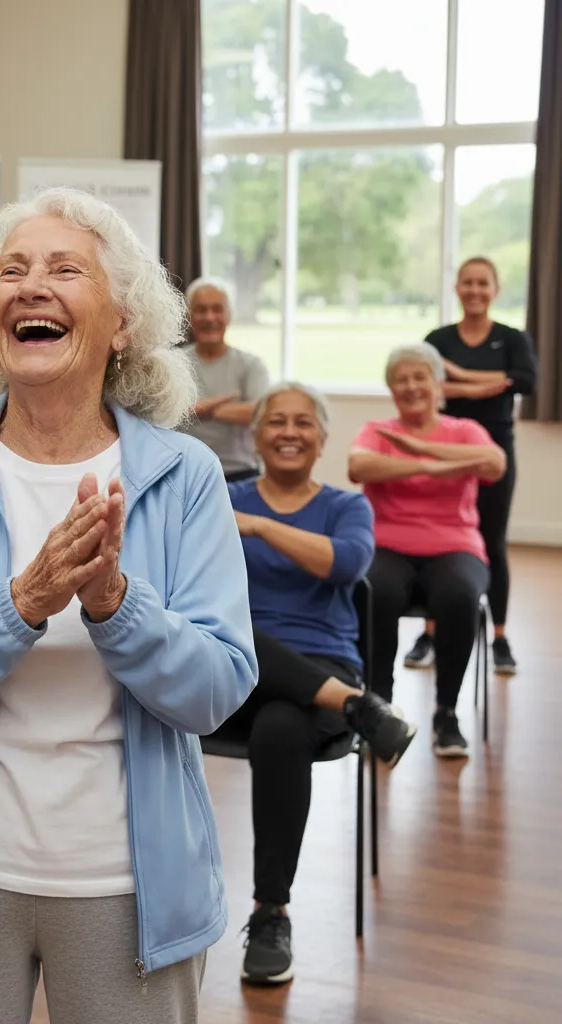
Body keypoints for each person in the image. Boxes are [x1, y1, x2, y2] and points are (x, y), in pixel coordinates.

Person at [0, 187, 258, 1024]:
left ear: (123, 322)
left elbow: (216, 689)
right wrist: (21, 605)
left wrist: (116, 605)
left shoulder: (184, 475)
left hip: (131, 891)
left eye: (65, 270)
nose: (32, 285)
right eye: (12, 270)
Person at [219, 382, 415, 986]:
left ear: (323, 439)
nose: (289, 432)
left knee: (282, 727)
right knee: (234, 636)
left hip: (323, 662)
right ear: (256, 436)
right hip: (230, 670)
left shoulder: (346, 507)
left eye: (303, 422)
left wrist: (259, 527)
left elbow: (348, 564)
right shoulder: (221, 498)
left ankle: (270, 911)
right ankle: (358, 708)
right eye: (276, 421)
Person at [349, 343, 506, 758]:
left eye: (420, 377)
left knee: (459, 594)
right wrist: (430, 466)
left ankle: (446, 713)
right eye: (401, 379)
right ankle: (379, 709)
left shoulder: (464, 429)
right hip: (387, 544)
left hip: (455, 545)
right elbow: (358, 466)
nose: (411, 386)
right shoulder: (378, 430)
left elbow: (494, 463)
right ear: (391, 389)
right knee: (374, 591)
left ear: (439, 386)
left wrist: (424, 449)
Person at [402, 257, 537, 676]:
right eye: (468, 283)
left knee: (492, 542)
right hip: (442, 452)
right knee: (439, 540)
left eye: (483, 283)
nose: (475, 290)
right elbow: (428, 383)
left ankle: (499, 636)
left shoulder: (511, 337)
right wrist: (490, 382)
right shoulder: (437, 339)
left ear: (495, 290)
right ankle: (430, 633)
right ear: (457, 288)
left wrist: (458, 377)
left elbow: (526, 382)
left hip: (492, 454)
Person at [180, 278, 270, 481]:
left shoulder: (251, 365)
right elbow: (160, 415)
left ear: (229, 315)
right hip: (187, 473)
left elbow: (260, 412)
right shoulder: (174, 364)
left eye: (217, 309)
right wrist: (228, 408)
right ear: (189, 315)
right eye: (201, 310)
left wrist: (202, 409)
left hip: (241, 472)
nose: (209, 317)